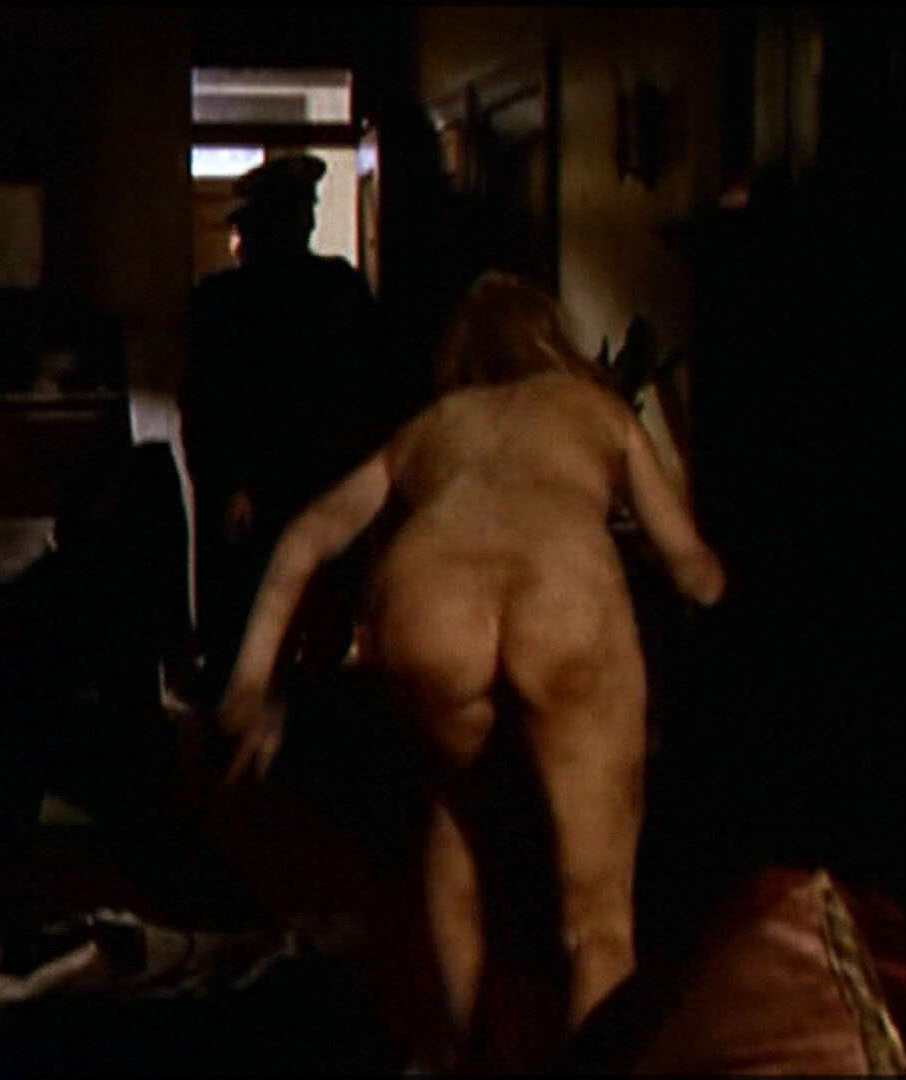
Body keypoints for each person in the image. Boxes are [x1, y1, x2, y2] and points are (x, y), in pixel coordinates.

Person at [215, 271, 727, 1070]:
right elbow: (690, 565)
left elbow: (312, 532)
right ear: (550, 340)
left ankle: (463, 1056)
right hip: (560, 594)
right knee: (598, 919)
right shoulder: (595, 409)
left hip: (432, 595)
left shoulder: (433, 426)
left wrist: (250, 680)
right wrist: (724, 608)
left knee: (458, 814)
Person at [182, 154, 396, 705]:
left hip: (322, 479)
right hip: (260, 493)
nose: (309, 221)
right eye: (300, 210)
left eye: (309, 210)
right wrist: (229, 482)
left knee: (322, 634)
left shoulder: (338, 289)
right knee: (248, 629)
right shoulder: (222, 302)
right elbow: (207, 403)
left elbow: (369, 390)